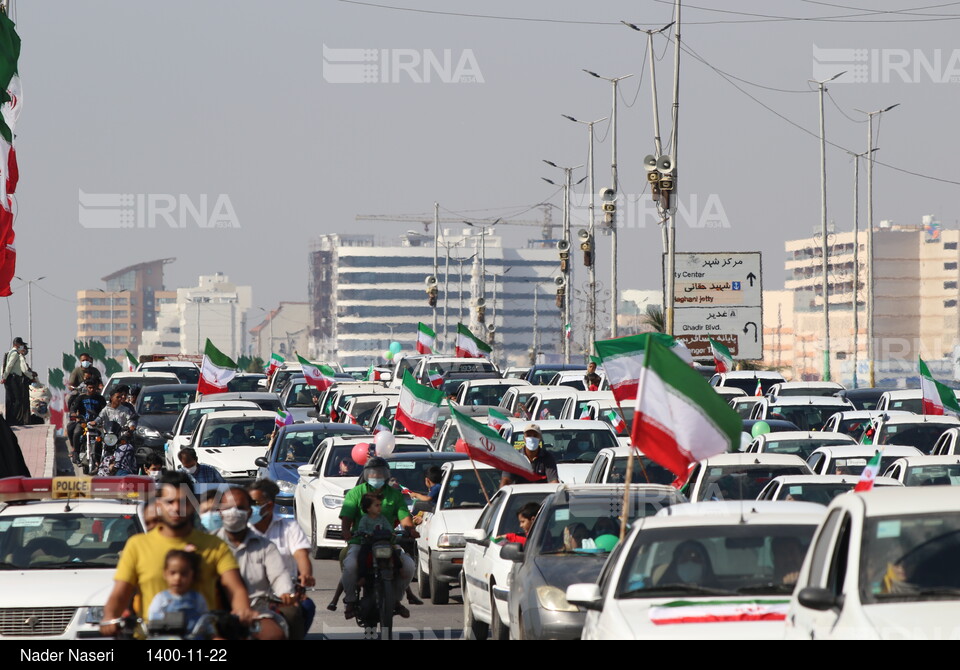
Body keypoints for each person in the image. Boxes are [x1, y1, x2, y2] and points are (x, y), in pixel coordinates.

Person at [100, 471, 255, 637]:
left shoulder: (215, 546)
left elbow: (236, 589)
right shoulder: (137, 546)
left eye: (183, 502)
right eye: (170, 502)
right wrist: (110, 616)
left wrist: (243, 610)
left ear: (192, 504)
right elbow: (120, 593)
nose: (176, 507)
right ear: (158, 504)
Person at [338, 457, 418, 621]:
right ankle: (351, 601)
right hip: (361, 542)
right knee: (351, 564)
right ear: (366, 475)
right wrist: (346, 531)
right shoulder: (356, 493)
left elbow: (404, 516)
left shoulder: (395, 495)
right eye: (373, 474)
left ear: (387, 475)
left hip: (387, 542)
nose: (377, 477)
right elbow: (347, 516)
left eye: (381, 473)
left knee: (408, 566)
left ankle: (395, 600)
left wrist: (411, 530)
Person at [214, 486, 295, 640]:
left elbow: (279, 575)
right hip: (216, 614)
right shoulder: (210, 545)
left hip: (257, 613)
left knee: (275, 635)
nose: (233, 512)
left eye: (239, 508)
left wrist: (285, 592)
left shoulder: (266, 547)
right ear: (219, 511)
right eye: (228, 508)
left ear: (250, 512)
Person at [248, 479, 316, 639]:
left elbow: (301, 555)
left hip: (282, 594)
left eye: (255, 503)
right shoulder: (241, 529)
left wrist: (305, 575)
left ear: (270, 505)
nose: (250, 508)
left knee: (301, 610)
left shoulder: (289, 527)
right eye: (248, 503)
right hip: (247, 593)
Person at [147, 549, 210, 632]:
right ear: (165, 574)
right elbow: (152, 620)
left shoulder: (197, 599)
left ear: (192, 575)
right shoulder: (161, 598)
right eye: (173, 573)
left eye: (184, 574)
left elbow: (207, 621)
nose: (178, 578)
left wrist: (213, 635)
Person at [68, 382, 106, 464]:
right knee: (76, 432)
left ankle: (101, 457)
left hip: (97, 423)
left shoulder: (100, 399)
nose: (91, 389)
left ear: (96, 388)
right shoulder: (81, 398)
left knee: (104, 437)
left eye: (93, 388)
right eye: (90, 387)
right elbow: (73, 408)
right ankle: (76, 453)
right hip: (83, 422)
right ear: (87, 388)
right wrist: (74, 413)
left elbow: (104, 410)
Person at [2, 337, 32, 426]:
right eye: (21, 344)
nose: (22, 346)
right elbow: (9, 366)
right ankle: (13, 420)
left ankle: (12, 420)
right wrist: (4, 377)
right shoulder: (15, 354)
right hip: (13, 378)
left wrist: (5, 376)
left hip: (11, 378)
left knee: (12, 400)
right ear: (16, 344)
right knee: (18, 400)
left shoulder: (10, 353)